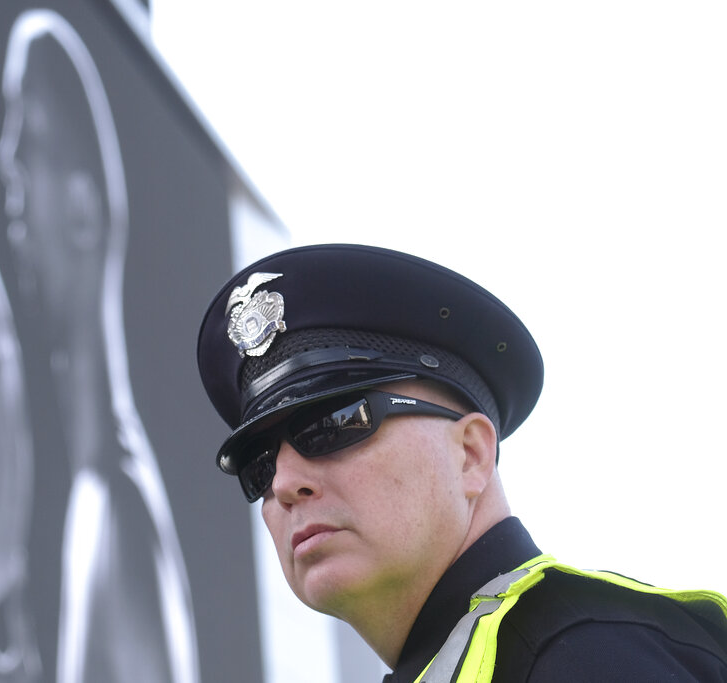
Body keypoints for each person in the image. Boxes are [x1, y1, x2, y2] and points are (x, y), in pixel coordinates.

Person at [195, 243, 727, 682]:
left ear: (471, 455)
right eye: (259, 467)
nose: (284, 482)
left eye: (330, 426)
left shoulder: (585, 659)